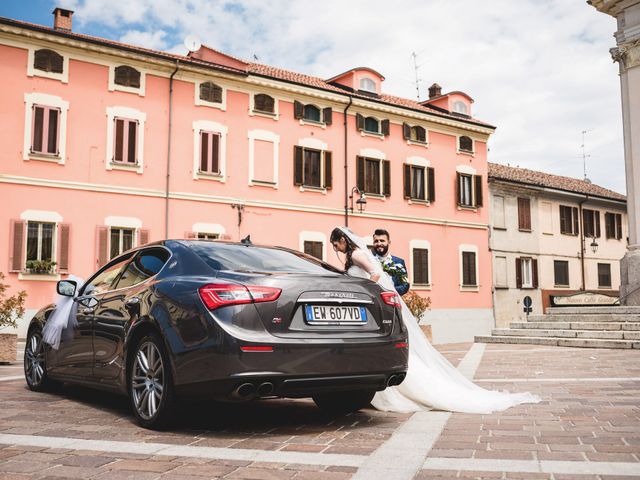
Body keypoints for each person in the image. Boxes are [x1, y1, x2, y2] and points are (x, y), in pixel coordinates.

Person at [329, 226, 540, 414]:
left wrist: (365, 291)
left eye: (336, 244)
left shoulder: (357, 254)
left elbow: (375, 273)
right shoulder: (359, 254)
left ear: (343, 240)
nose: (336, 249)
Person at [372, 229, 409, 296]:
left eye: (382, 241)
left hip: (393, 300)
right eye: (376, 241)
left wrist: (390, 291)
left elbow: (405, 285)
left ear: (389, 242)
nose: (379, 243)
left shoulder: (399, 262)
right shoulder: (369, 260)